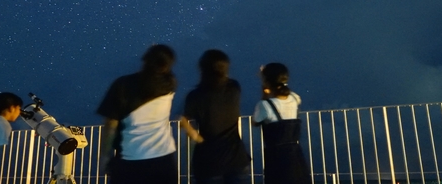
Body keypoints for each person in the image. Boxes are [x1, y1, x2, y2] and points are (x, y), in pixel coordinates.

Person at [97, 44, 178, 184]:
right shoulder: (170, 84)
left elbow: (111, 124)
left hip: (131, 160)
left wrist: (105, 155)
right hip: (164, 160)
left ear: (145, 60)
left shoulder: (123, 85)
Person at [179, 49, 251, 184]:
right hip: (236, 159)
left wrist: (195, 136)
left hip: (208, 161)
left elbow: (184, 119)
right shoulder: (234, 87)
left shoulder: (195, 96)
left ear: (202, 69)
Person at [252, 63, 311, 184]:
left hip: (276, 159)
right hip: (296, 156)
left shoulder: (265, 105)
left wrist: (264, 93)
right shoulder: (295, 98)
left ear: (267, 81)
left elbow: (255, 122)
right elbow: (287, 94)